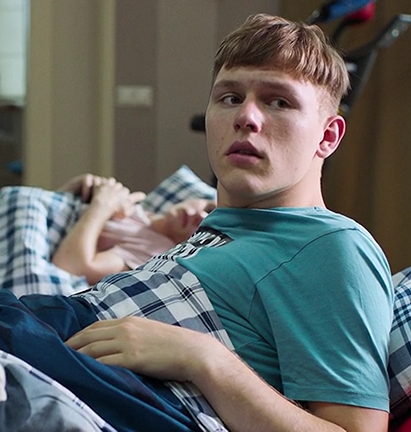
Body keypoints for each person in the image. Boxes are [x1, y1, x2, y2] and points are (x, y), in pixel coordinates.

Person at [63, 14, 393, 432]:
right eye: (230, 97)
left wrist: (203, 357)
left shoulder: (332, 246)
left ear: (327, 136)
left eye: (279, 102)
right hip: (59, 334)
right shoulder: (214, 230)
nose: (246, 117)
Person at [52, 173, 216, 284]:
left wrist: (102, 205)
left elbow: (73, 268)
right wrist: (77, 188)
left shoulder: (154, 251)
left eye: (207, 226)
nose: (201, 216)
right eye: (209, 208)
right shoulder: (137, 208)